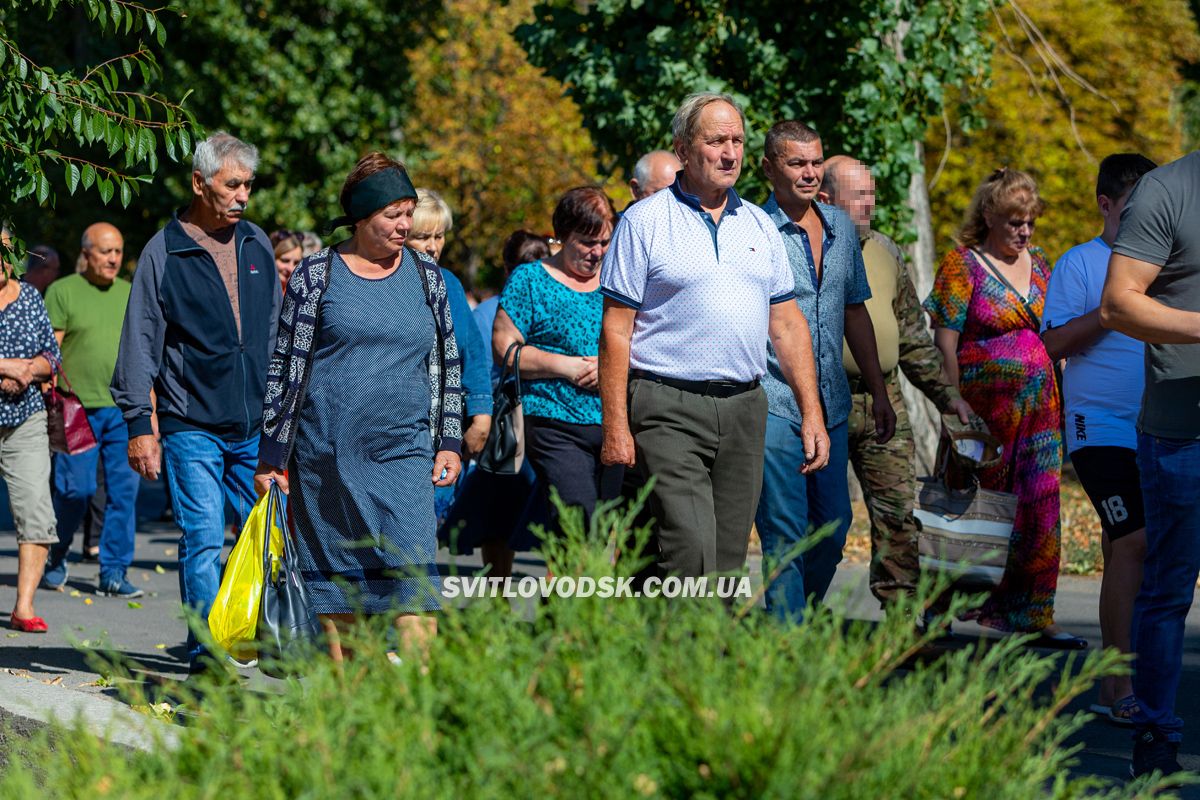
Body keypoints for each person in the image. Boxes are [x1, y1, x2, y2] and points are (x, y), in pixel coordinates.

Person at [600, 93, 829, 581]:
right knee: (690, 547)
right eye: (716, 140)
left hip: (745, 408)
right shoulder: (645, 221)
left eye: (738, 141)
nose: (730, 153)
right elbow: (616, 331)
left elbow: (787, 325)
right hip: (666, 405)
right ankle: (679, 652)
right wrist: (616, 427)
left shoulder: (760, 227)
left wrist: (812, 413)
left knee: (725, 563)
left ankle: (682, 652)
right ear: (684, 148)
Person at [256, 153, 463, 661]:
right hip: (325, 458)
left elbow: (447, 359)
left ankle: (417, 711)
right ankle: (352, 713)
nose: (405, 225)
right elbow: (287, 367)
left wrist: (450, 440)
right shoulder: (316, 276)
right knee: (340, 595)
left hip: (403, 455)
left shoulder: (426, 277)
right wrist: (272, 457)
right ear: (361, 217)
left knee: (415, 582)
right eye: (393, 214)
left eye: (408, 212)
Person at [111, 132, 281, 672]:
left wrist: (284, 418)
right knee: (204, 537)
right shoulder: (165, 251)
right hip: (191, 425)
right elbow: (141, 339)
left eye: (248, 184)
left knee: (268, 536)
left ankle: (256, 635)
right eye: (233, 184)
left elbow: (278, 332)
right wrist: (141, 423)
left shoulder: (256, 242)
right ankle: (207, 659)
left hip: (255, 424)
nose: (243, 196)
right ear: (198, 183)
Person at [925, 168, 1081, 645]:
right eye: (1016, 221)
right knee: (971, 509)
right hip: (982, 415)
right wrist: (952, 405)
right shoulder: (962, 264)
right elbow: (944, 342)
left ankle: (1031, 613)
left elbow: (1054, 330)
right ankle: (937, 608)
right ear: (990, 215)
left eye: (1030, 221)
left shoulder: (1040, 262)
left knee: (1037, 508)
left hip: (1038, 413)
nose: (1025, 231)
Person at [754, 124, 896, 620]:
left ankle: (797, 613)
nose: (809, 172)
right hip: (772, 400)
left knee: (834, 527)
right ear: (769, 168)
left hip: (833, 401)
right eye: (797, 163)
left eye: (815, 162)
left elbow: (854, 311)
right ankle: (786, 641)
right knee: (784, 528)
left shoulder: (839, 227)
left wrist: (878, 391)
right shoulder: (752, 229)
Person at [819, 155, 973, 609]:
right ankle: (797, 616)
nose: (870, 203)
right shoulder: (805, 248)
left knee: (901, 517)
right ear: (826, 199)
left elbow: (912, 338)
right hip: (825, 402)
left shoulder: (886, 250)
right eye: (859, 195)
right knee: (824, 520)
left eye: (872, 193)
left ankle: (903, 620)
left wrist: (948, 399)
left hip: (884, 402)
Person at [1042, 154, 1157, 725]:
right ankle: (1120, 684)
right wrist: (1113, 312)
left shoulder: (1166, 263)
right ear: (1106, 204)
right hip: (1098, 427)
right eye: (1135, 206)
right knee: (1134, 540)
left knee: (1123, 548)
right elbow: (1053, 345)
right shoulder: (1081, 264)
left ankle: (1117, 684)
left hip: (1158, 425)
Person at [1100, 151, 1200, 777]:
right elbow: (1119, 304)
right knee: (1167, 589)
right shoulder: (1167, 190)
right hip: (1182, 433)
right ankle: (1156, 734)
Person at [494, 187, 623, 531]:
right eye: (586, 242)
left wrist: (608, 367)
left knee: (612, 529)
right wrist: (564, 367)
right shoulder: (531, 280)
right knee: (579, 517)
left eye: (605, 242)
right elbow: (505, 348)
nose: (597, 253)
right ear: (563, 236)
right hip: (553, 420)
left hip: (615, 421)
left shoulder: (619, 278)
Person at [440, 229, 549, 579]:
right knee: (544, 518)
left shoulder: (489, 311)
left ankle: (500, 593)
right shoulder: (546, 306)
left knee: (498, 520)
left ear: (505, 268)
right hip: (540, 426)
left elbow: (475, 372)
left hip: (504, 432)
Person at [41, 223, 142, 597]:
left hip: (122, 409)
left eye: (117, 251)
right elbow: (51, 355)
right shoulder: (63, 291)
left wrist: (150, 411)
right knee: (76, 490)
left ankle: (114, 571)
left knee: (123, 492)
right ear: (86, 254)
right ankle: (56, 552)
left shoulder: (130, 293)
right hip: (75, 408)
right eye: (105, 251)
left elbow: (142, 355)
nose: (114, 258)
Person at [0, 222, 61, 632]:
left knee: (37, 509)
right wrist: (4, 366)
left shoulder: (30, 297)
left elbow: (51, 357)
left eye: (6, 249)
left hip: (24, 417)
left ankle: (24, 606)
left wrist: (29, 370)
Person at [410, 188, 492, 461]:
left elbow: (473, 354)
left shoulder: (451, 285)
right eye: (422, 237)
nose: (433, 246)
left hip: (444, 433)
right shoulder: (382, 287)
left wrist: (481, 416)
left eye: (439, 236)